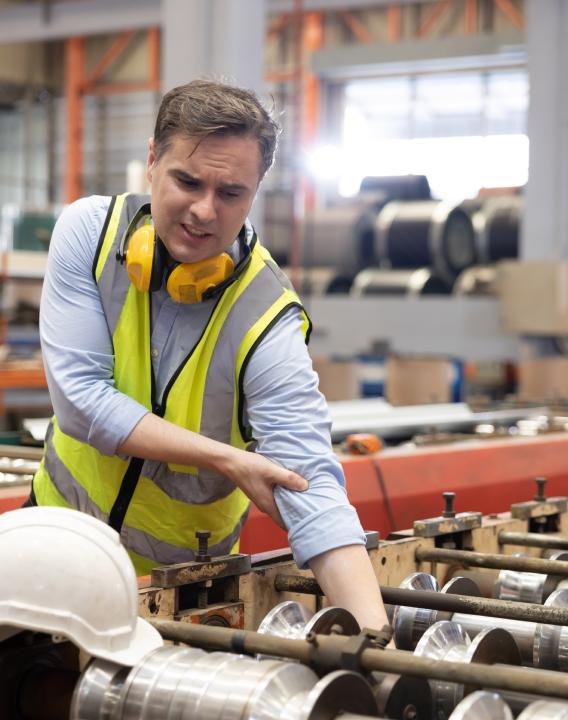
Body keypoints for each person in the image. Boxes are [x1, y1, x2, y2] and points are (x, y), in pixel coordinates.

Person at [30, 78, 388, 631]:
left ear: (255, 192)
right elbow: (80, 401)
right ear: (152, 162)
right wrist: (226, 458)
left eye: (231, 194)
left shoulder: (265, 314)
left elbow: (307, 479)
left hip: (180, 596)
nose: (203, 210)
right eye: (187, 181)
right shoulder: (91, 235)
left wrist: (375, 638)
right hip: (54, 548)